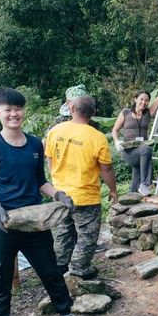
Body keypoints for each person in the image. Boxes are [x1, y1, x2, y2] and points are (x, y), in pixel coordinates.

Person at [0, 88, 87, 316]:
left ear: (23, 111)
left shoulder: (35, 144)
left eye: (18, 108)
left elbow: (39, 180)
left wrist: (58, 194)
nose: (14, 113)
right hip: (2, 224)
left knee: (50, 270)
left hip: (34, 222)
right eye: (7, 109)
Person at [45, 95, 119, 279]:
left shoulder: (56, 131)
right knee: (87, 236)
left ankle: (60, 267)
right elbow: (106, 169)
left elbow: (49, 159)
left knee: (63, 232)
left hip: (60, 194)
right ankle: (78, 270)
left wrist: (56, 182)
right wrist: (113, 190)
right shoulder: (97, 137)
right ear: (93, 113)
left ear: (71, 109)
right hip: (86, 197)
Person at [112, 64, 158, 195]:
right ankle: (145, 184)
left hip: (141, 151)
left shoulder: (148, 113)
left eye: (146, 100)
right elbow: (115, 130)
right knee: (146, 150)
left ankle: (132, 196)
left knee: (138, 170)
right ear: (135, 99)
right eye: (141, 99)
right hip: (128, 152)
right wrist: (116, 142)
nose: (144, 102)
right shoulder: (125, 113)